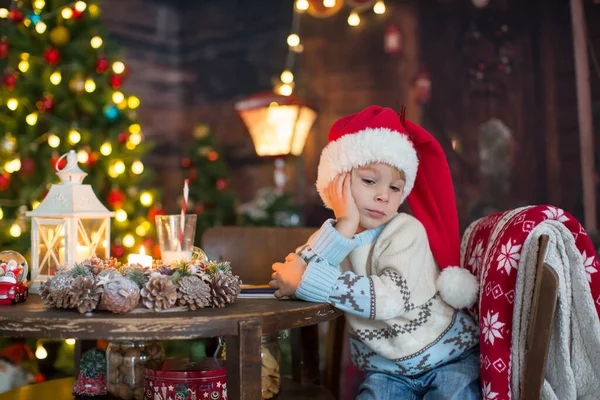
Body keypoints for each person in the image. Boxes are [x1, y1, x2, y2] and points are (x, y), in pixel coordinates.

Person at [270, 105, 481, 399]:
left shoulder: (406, 230)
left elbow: (390, 298)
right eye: (370, 181)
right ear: (336, 182)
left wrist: (308, 280)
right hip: (387, 371)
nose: (383, 195)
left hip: (447, 357)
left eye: (395, 188)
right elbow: (299, 271)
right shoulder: (333, 237)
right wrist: (344, 226)